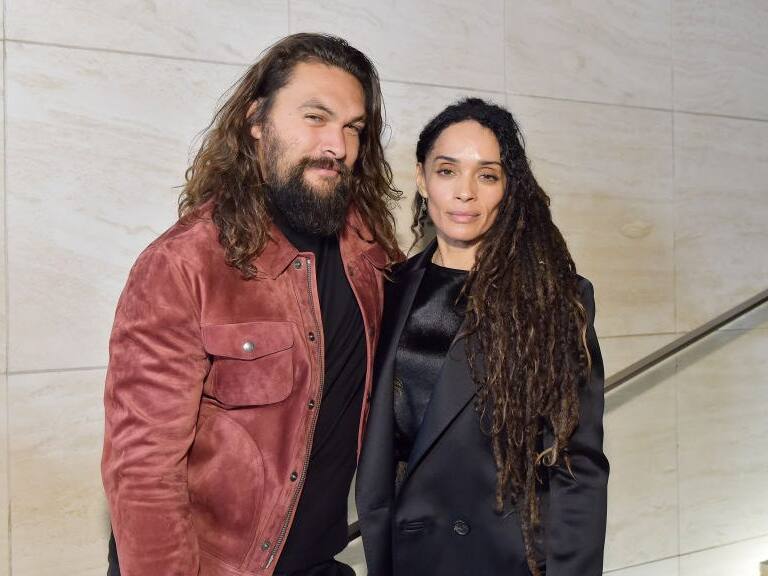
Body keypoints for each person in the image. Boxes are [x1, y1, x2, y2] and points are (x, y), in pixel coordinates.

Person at [101, 33, 401, 576]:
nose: (337, 144)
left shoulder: (370, 254)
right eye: (315, 116)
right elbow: (141, 471)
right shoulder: (183, 265)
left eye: (353, 127)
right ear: (256, 120)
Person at [355, 98, 609, 576]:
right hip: (407, 553)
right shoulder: (386, 289)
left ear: (508, 188)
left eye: (487, 175)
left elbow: (578, 466)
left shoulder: (555, 299)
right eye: (447, 170)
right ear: (421, 177)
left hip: (507, 556)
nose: (464, 193)